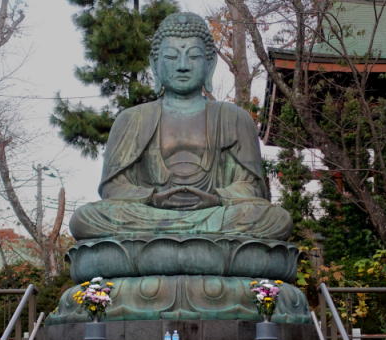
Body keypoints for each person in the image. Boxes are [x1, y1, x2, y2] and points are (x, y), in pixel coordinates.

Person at [69, 12, 292, 241]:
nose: (183, 66)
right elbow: (113, 189)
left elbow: (251, 187)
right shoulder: (132, 119)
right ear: (155, 65)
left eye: (193, 56)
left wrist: (216, 198)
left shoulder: (233, 117)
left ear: (210, 64)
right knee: (85, 219)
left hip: (215, 213)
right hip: (151, 214)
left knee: (274, 219)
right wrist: (153, 198)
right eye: (171, 57)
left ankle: (169, 241)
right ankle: (186, 239)